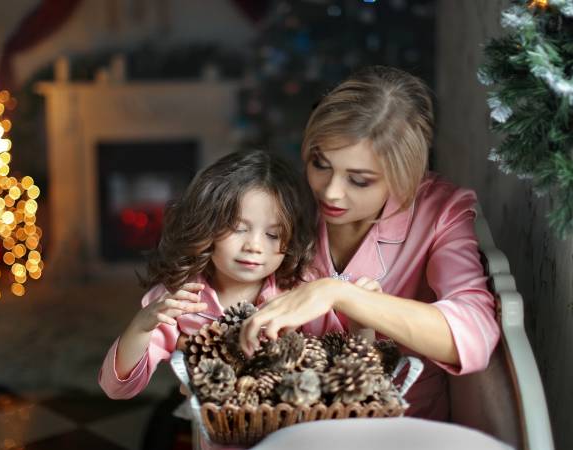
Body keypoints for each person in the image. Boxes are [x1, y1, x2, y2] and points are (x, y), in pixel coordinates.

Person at [239, 66, 501, 421]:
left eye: (359, 180)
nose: (330, 191)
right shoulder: (283, 201)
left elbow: (474, 334)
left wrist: (340, 294)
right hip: (290, 428)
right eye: (320, 164)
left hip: (402, 432)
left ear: (404, 176)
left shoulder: (440, 212)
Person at [98, 149, 343, 400]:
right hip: (218, 431)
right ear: (207, 225)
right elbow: (116, 388)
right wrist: (141, 326)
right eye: (238, 228)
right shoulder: (179, 299)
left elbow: (341, 368)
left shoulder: (302, 291)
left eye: (273, 235)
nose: (254, 246)